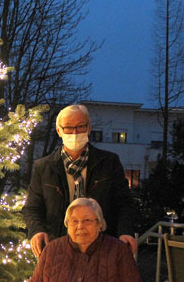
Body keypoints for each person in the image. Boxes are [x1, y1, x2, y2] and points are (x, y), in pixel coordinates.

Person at [22, 104, 138, 257]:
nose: (75, 133)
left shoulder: (109, 162)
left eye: (80, 127)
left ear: (89, 128)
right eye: (68, 128)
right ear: (59, 131)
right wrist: (37, 231)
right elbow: (32, 208)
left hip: (102, 249)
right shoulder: (44, 167)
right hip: (58, 249)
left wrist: (125, 232)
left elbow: (125, 204)